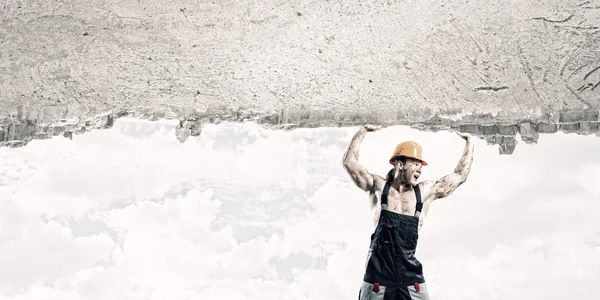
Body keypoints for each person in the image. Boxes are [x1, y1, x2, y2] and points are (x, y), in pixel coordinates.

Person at [342, 124, 475, 300]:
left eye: (421, 165)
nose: (420, 169)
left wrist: (469, 142)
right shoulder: (378, 187)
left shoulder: (425, 191)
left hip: (410, 274)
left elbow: (460, 176)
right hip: (378, 274)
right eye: (415, 164)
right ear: (400, 164)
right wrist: (363, 131)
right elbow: (349, 162)